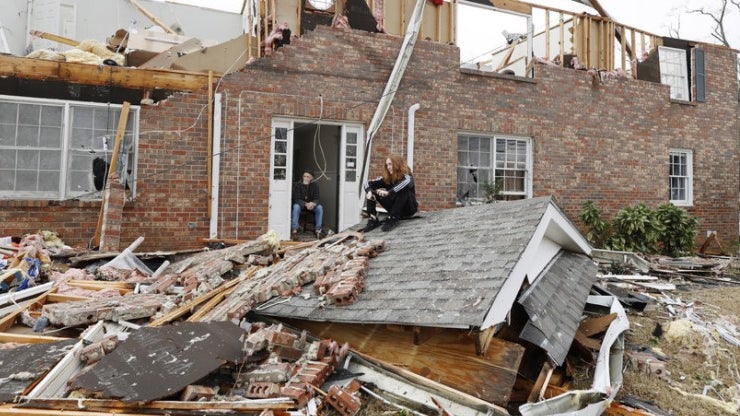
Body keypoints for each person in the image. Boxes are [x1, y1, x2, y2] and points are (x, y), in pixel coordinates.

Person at [362, 154, 418, 232]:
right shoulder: (388, 178)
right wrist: (369, 191)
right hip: (393, 208)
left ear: (397, 164)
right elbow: (368, 183)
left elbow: (405, 183)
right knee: (372, 192)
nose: (388, 167)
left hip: (408, 209)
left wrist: (388, 192)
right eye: (387, 165)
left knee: (404, 189)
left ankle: (393, 218)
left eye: (390, 164)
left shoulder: (407, 177)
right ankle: (373, 219)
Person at [292, 170, 323, 239]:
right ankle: (295, 230)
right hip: (301, 205)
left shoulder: (315, 185)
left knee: (319, 207)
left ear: (311, 178)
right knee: (296, 206)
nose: (305, 178)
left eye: (307, 177)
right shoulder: (298, 185)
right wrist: (306, 204)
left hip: (311, 206)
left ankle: (318, 230)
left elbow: (317, 198)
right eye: (304, 176)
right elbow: (297, 199)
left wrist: (313, 203)